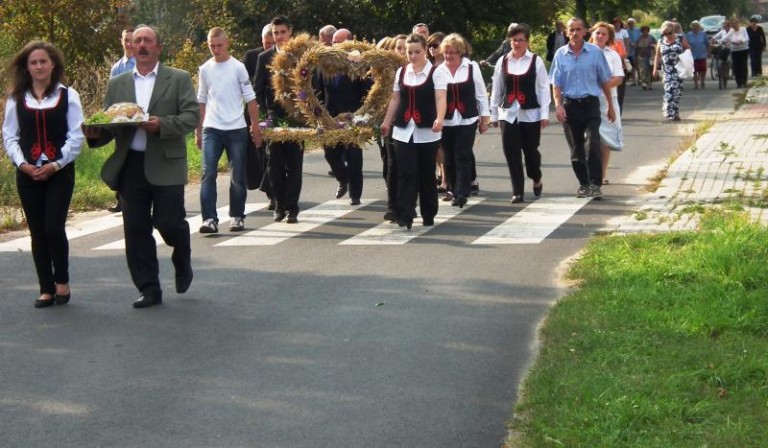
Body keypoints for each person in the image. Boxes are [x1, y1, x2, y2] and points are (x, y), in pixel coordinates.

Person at [84, 25, 199, 308]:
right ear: (131, 48)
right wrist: (95, 133)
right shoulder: (118, 83)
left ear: (159, 47)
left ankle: (181, 251)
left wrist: (162, 125)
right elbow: (111, 123)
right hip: (131, 165)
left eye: (148, 41)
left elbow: (191, 117)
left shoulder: (179, 78)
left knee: (168, 222)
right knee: (135, 229)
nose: (142, 45)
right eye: (137, 41)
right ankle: (149, 288)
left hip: (166, 163)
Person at [2, 41, 84, 308]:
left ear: (53, 65)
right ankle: (46, 288)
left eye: (43, 61)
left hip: (59, 171)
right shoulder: (17, 98)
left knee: (53, 226)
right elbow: (10, 136)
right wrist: (22, 164)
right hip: (27, 173)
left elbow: (76, 136)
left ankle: (62, 281)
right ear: (27, 67)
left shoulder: (68, 95)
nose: (38, 66)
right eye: (33, 62)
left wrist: (57, 164)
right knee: (37, 231)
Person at [196, 27, 261, 234]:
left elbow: (251, 99)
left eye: (219, 45)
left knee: (238, 174)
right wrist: (199, 131)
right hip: (212, 128)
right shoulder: (205, 69)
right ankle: (209, 219)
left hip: (236, 128)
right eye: (211, 46)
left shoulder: (238, 67)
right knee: (208, 173)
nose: (215, 50)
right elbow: (202, 101)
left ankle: (237, 216)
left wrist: (255, 127)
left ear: (227, 43)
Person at [380, 33, 448, 229]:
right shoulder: (401, 72)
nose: (413, 55)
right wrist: (386, 122)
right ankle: (406, 213)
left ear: (425, 50)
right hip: (403, 130)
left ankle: (429, 213)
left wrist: (440, 118)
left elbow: (441, 98)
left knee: (426, 173)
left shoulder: (436, 73)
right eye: (409, 52)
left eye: (417, 51)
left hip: (427, 130)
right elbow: (395, 99)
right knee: (406, 172)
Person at [549, 17, 615, 198]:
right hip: (571, 105)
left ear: (585, 31)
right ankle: (584, 184)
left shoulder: (594, 53)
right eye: (572, 30)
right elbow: (556, 83)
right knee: (576, 147)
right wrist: (558, 105)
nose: (575, 33)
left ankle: (595, 184)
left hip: (590, 103)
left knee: (593, 142)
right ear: (567, 32)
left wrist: (610, 106)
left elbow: (604, 81)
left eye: (579, 29)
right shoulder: (560, 55)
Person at [490, 24, 550, 203]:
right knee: (511, 151)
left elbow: (543, 89)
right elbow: (497, 88)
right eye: (514, 40)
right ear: (510, 41)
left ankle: (536, 176)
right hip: (507, 113)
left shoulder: (535, 61)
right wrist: (493, 114)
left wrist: (544, 114)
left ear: (527, 42)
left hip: (530, 113)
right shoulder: (503, 61)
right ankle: (517, 191)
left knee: (531, 152)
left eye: (521, 40)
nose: (517, 43)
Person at [254, 15, 304, 223]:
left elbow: (309, 87)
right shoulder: (264, 58)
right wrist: (262, 118)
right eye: (276, 33)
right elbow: (257, 90)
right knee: (274, 165)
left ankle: (292, 207)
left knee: (294, 164)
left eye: (283, 32)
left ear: (290, 32)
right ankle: (279, 204)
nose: (280, 36)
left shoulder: (300, 55)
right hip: (274, 118)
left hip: (296, 118)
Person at [318, 28, 370, 205]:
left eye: (339, 42)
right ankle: (343, 178)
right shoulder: (324, 64)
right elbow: (318, 91)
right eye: (333, 42)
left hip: (352, 117)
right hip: (330, 118)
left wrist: (363, 115)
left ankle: (355, 194)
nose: (335, 45)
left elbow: (367, 92)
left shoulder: (359, 64)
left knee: (354, 157)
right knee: (330, 154)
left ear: (349, 43)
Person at [439, 33, 490, 207]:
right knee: (449, 157)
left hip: (467, 118)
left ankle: (463, 192)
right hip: (446, 120)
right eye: (446, 52)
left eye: (453, 52)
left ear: (460, 52)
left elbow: (481, 93)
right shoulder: (438, 71)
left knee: (462, 153)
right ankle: (453, 188)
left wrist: (485, 119)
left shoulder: (471, 67)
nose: (449, 55)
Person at [589, 22, 625, 184]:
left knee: (605, 139)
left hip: (607, 101)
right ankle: (589, 174)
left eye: (604, 34)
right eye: (598, 33)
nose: (600, 36)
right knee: (589, 138)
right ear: (592, 35)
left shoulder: (613, 55)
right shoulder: (584, 53)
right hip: (587, 100)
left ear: (609, 37)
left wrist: (601, 86)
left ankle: (601, 174)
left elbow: (618, 77)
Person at [107, 28, 136, 213]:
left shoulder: (142, 63)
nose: (129, 44)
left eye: (132, 40)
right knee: (120, 158)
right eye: (126, 40)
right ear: (121, 41)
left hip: (137, 118)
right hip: (120, 119)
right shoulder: (117, 67)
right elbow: (112, 92)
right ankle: (120, 199)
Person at [653, 21, 690, 121]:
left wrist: (686, 59)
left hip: (679, 69)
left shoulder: (680, 38)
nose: (667, 35)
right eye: (665, 34)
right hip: (667, 70)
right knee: (668, 91)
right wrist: (655, 69)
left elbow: (688, 49)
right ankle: (669, 112)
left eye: (669, 33)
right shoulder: (660, 41)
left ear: (673, 31)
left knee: (677, 92)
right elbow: (657, 55)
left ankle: (675, 112)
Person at [725, 18, 750, 88]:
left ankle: (744, 82)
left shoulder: (743, 29)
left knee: (743, 65)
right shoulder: (731, 31)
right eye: (732, 24)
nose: (734, 25)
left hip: (744, 49)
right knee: (736, 67)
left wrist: (742, 41)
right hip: (735, 51)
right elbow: (725, 38)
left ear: (738, 23)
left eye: (735, 23)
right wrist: (716, 39)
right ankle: (738, 83)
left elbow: (747, 38)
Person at [686, 21, 709, 89]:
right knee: (694, 70)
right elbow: (686, 43)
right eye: (693, 26)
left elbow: (707, 43)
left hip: (702, 53)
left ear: (699, 27)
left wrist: (709, 52)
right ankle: (696, 83)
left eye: (696, 26)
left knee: (703, 69)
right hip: (692, 54)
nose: (695, 28)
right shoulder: (689, 34)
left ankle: (702, 81)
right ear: (691, 27)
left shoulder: (703, 34)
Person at [635, 25, 656, 90]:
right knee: (642, 70)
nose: (645, 32)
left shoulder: (651, 38)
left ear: (648, 31)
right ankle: (644, 83)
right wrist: (636, 56)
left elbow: (656, 45)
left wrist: (653, 47)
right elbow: (636, 47)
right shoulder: (639, 39)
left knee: (650, 70)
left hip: (650, 56)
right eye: (643, 31)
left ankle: (649, 84)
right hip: (641, 56)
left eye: (646, 30)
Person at [626, 18, 641, 84]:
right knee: (632, 66)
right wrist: (630, 44)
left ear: (634, 23)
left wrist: (636, 44)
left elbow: (640, 38)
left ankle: (640, 79)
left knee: (638, 65)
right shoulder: (626, 31)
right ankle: (634, 80)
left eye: (632, 23)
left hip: (637, 49)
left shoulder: (637, 30)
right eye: (629, 23)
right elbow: (626, 39)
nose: (631, 24)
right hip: (630, 50)